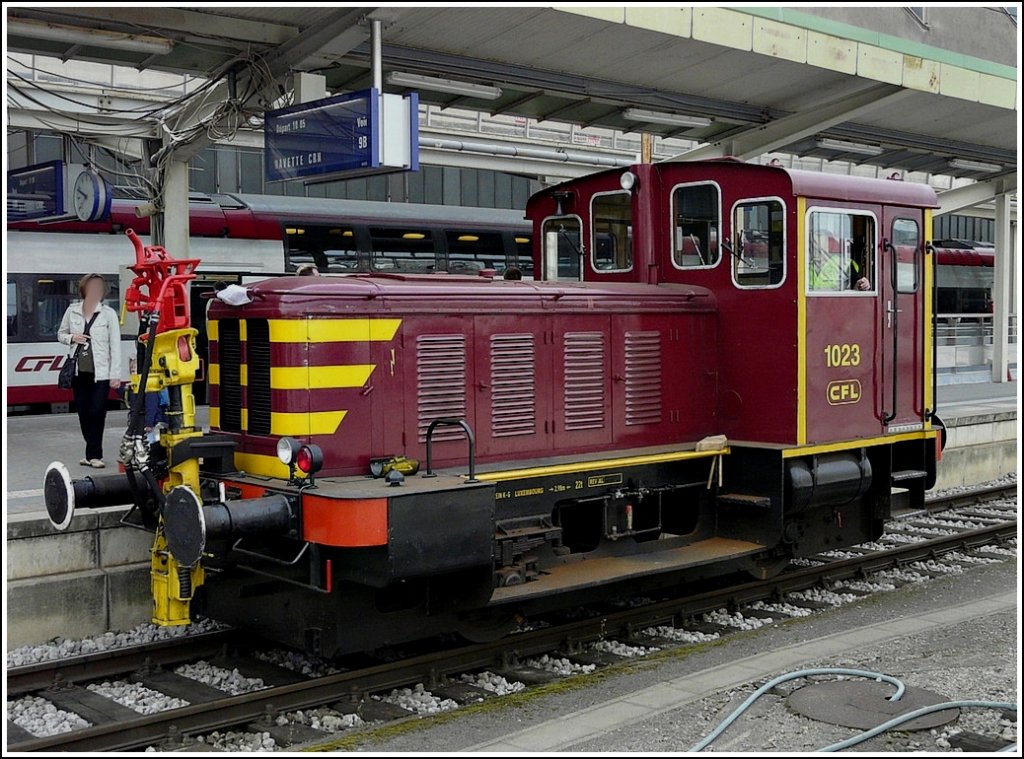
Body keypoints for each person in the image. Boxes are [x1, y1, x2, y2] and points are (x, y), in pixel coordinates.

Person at [57, 274, 122, 468]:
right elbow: (60, 334)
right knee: (84, 413)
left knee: (97, 412)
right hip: (79, 372)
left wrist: (115, 374)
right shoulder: (72, 311)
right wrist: (71, 338)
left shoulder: (108, 313)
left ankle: (95, 455)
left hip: (100, 373)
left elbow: (115, 346)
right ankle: (90, 452)